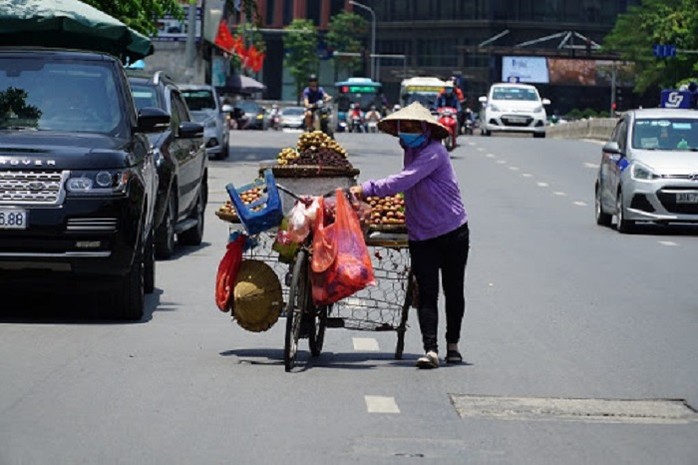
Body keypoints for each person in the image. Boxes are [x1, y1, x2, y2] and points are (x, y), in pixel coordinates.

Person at [349, 102, 470, 369]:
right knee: (427, 292)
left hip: (452, 230)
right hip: (421, 233)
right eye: (405, 127)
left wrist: (366, 189)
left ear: (426, 129)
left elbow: (404, 181)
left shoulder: (434, 152)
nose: (408, 131)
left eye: (414, 127)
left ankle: (453, 344)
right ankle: (431, 349)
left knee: (453, 290)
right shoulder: (410, 151)